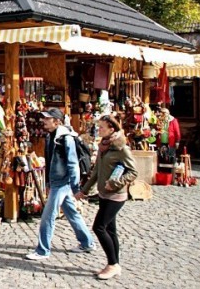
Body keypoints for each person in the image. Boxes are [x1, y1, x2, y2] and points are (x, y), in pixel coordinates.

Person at [26, 108, 96, 261]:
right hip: (56, 181)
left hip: (62, 182)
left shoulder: (66, 138)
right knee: (71, 212)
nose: (43, 121)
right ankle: (87, 242)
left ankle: (43, 250)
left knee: (48, 216)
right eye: (44, 118)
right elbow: (50, 161)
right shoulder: (50, 136)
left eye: (47, 118)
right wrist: (48, 182)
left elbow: (73, 163)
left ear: (57, 121)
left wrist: (76, 187)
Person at [76, 115, 138, 280]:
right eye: (99, 127)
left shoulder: (121, 148)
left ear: (112, 129)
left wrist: (116, 182)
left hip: (116, 195)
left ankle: (113, 265)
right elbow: (96, 172)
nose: (99, 130)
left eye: (102, 127)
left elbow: (133, 172)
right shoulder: (103, 146)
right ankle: (114, 264)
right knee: (110, 230)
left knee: (99, 227)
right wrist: (84, 191)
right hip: (103, 194)